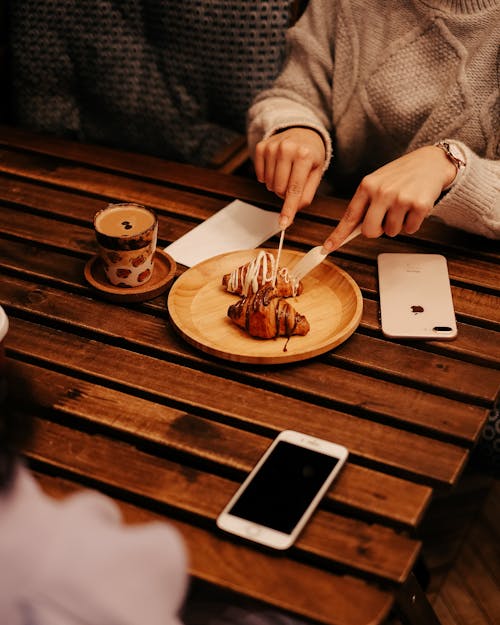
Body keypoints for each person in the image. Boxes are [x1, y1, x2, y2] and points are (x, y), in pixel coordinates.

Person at [247, 0, 500, 248]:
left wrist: (452, 165)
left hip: (463, 251)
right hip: (330, 221)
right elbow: (292, 95)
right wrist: (296, 128)